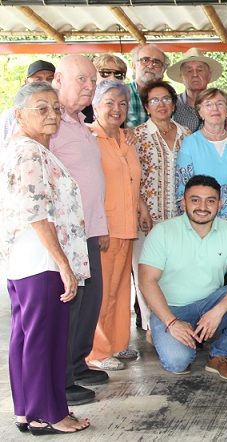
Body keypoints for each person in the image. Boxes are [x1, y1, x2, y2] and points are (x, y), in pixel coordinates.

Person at [1, 82, 92, 435]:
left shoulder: (22, 147)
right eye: (41, 108)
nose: (51, 114)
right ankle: (48, 414)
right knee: (45, 339)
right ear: (20, 114)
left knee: (27, 336)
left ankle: (27, 410)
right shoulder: (28, 152)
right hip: (40, 258)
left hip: (26, 259)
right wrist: (63, 265)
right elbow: (37, 212)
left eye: (55, 108)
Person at [139, 175, 227, 379]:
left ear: (220, 205)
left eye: (210, 201)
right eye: (195, 200)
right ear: (183, 203)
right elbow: (146, 281)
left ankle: (218, 355)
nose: (203, 207)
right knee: (178, 362)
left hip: (210, 304)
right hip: (171, 309)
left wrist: (218, 311)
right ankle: (160, 331)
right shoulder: (162, 232)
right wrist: (172, 322)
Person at [51, 54, 109, 406]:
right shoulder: (49, 120)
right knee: (69, 305)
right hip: (65, 232)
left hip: (89, 230)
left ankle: (77, 364)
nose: (89, 86)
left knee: (89, 301)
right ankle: (61, 379)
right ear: (58, 79)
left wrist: (99, 226)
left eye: (93, 81)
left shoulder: (79, 121)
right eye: (81, 79)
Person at [86, 80, 149, 371]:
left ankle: (117, 343)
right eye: (109, 102)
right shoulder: (89, 138)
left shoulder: (127, 138)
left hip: (127, 226)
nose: (117, 108)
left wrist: (141, 207)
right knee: (101, 292)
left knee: (121, 290)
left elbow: (130, 180)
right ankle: (96, 352)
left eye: (122, 103)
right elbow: (88, 187)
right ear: (95, 106)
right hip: (104, 228)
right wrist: (98, 226)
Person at [132, 79, 191, 332]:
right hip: (147, 219)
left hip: (179, 219)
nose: (161, 104)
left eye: (166, 99)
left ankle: (178, 324)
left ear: (174, 104)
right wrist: (141, 207)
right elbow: (129, 177)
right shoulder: (135, 136)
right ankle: (152, 328)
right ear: (146, 107)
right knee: (146, 276)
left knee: (177, 275)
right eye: (154, 100)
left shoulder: (187, 135)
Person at [175, 88, 227, 231]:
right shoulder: (189, 144)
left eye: (220, 104)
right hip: (200, 224)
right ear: (200, 113)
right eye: (208, 105)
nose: (215, 109)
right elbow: (182, 189)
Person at [168, 48, 223, 133]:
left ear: (209, 76)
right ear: (182, 78)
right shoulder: (171, 104)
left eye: (200, 70)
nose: (195, 74)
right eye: (189, 71)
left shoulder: (221, 105)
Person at [0, 60, 55, 142]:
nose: (45, 83)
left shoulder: (63, 112)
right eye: (38, 79)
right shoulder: (12, 115)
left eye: (50, 79)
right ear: (26, 83)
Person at [127, 44, 168, 128]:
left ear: (163, 70)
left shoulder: (168, 98)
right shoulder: (121, 94)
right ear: (134, 66)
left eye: (156, 62)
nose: (150, 66)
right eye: (145, 60)